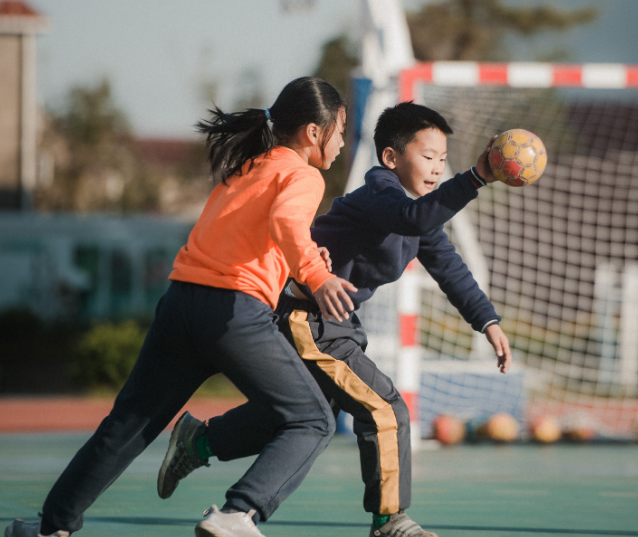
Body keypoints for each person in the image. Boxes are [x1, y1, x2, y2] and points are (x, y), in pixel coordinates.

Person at [5, 77, 358, 537]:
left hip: (180, 303)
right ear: (314, 132)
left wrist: (303, 266)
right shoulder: (304, 175)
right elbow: (286, 222)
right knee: (312, 418)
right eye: (341, 131)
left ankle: (51, 527)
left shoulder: (248, 167)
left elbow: (256, 240)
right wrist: (317, 275)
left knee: (129, 424)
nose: (342, 142)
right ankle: (238, 513)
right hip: (232, 315)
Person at [156, 102, 513, 537]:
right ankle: (390, 520)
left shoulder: (421, 218)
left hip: (331, 321)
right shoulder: (380, 193)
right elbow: (410, 217)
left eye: (443, 158)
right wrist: (476, 177)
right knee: (385, 407)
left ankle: (199, 442)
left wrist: (488, 322)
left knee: (303, 414)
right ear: (391, 158)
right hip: (306, 317)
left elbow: (451, 270)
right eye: (428, 156)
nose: (438, 167)